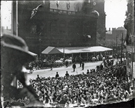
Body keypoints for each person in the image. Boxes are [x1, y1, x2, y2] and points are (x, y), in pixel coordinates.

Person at [1, 34, 40, 106]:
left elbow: (36, 101)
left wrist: (26, 85)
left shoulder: (10, 70)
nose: (20, 66)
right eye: (18, 60)